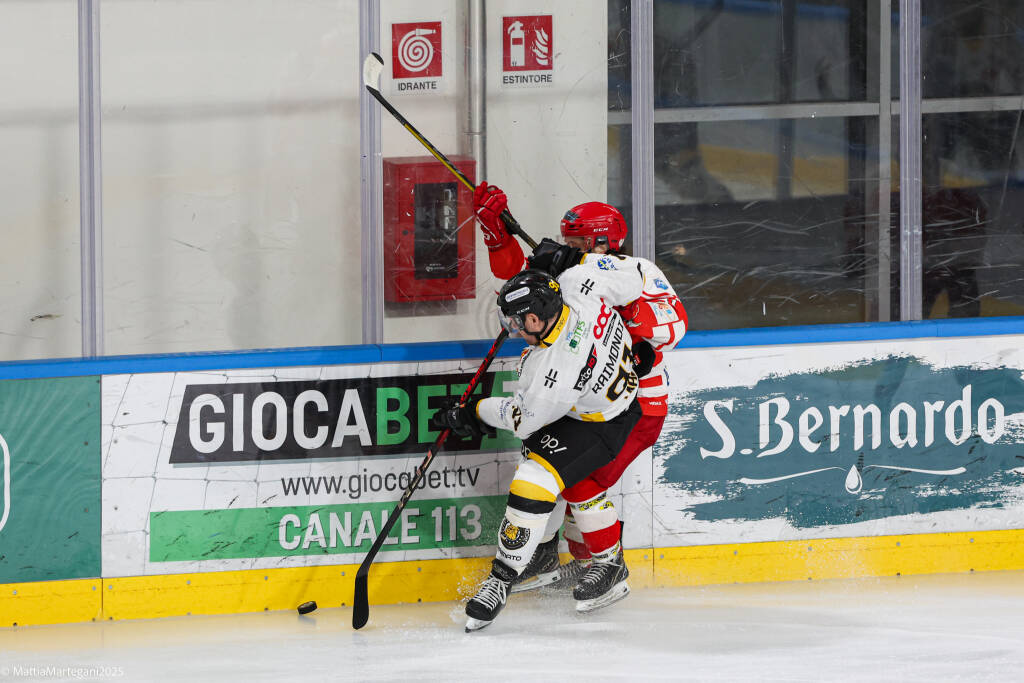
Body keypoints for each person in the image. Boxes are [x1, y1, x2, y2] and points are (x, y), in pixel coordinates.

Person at [472, 182, 688, 594]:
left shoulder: (637, 271)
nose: (569, 248)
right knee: (545, 463)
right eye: (567, 241)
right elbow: (516, 285)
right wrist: (497, 235)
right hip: (582, 404)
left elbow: (675, 324)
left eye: (578, 242)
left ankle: (600, 565)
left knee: (581, 483)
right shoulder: (573, 269)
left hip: (636, 406)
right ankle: (548, 554)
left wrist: (625, 313)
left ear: (603, 242)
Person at [432, 265, 644, 631]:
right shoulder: (577, 283)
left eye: (518, 322)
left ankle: (505, 579)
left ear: (535, 318)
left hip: (601, 422)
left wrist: (473, 412)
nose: (513, 329)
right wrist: (573, 258)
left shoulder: (554, 372)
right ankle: (544, 556)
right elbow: (634, 278)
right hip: (596, 400)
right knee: (543, 466)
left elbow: (522, 419)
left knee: (533, 482)